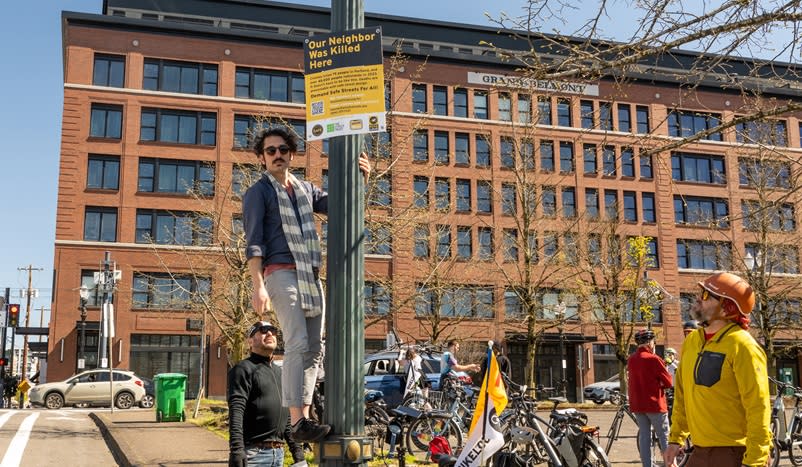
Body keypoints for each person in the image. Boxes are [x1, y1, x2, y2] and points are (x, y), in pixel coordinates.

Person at [243, 127, 370, 442]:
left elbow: (338, 204)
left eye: (282, 149)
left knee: (316, 348)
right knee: (298, 342)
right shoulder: (258, 193)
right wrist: (257, 284)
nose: (277, 155)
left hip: (309, 275)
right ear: (262, 157)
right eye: (270, 151)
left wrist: (361, 179)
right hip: (280, 272)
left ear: (290, 154)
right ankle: (297, 420)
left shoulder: (303, 189)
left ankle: (306, 414)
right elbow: (254, 242)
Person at [664, 272, 772, 467]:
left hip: (734, 454)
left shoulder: (743, 346)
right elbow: (682, 396)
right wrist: (675, 439)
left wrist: (755, 461)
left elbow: (758, 408)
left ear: (727, 308)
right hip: (699, 453)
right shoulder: (692, 341)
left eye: (706, 295)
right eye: (701, 292)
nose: (698, 297)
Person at [228, 321, 305, 467]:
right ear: (250, 341)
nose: (270, 333)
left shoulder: (280, 373)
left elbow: (287, 418)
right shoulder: (243, 369)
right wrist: (237, 450)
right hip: (254, 455)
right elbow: (236, 411)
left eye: (273, 330)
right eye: (263, 330)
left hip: (279, 455)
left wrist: (297, 453)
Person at [628, 328, 673, 467]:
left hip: (638, 405)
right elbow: (668, 382)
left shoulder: (631, 359)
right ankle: (669, 464)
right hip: (655, 404)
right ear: (650, 343)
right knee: (663, 436)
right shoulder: (654, 359)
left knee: (644, 437)